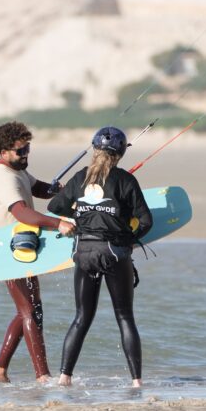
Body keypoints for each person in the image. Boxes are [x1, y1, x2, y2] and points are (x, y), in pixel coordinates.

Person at [48, 126, 152, 388]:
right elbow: (146, 221)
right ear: (119, 154)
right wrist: (127, 241)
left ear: (95, 150)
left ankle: (64, 378)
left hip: (83, 251)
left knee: (82, 317)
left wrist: (82, 213)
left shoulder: (81, 178)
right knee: (124, 316)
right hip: (114, 252)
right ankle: (137, 382)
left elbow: (55, 206)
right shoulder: (126, 180)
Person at [0, 121, 75, 383]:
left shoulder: (18, 169)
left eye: (27, 149)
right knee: (30, 311)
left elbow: (39, 189)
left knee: (31, 309)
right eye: (19, 151)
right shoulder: (3, 177)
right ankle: (42, 376)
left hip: (24, 246)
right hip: (6, 252)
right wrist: (58, 223)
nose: (25, 155)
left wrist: (66, 191)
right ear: (3, 152)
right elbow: (22, 212)